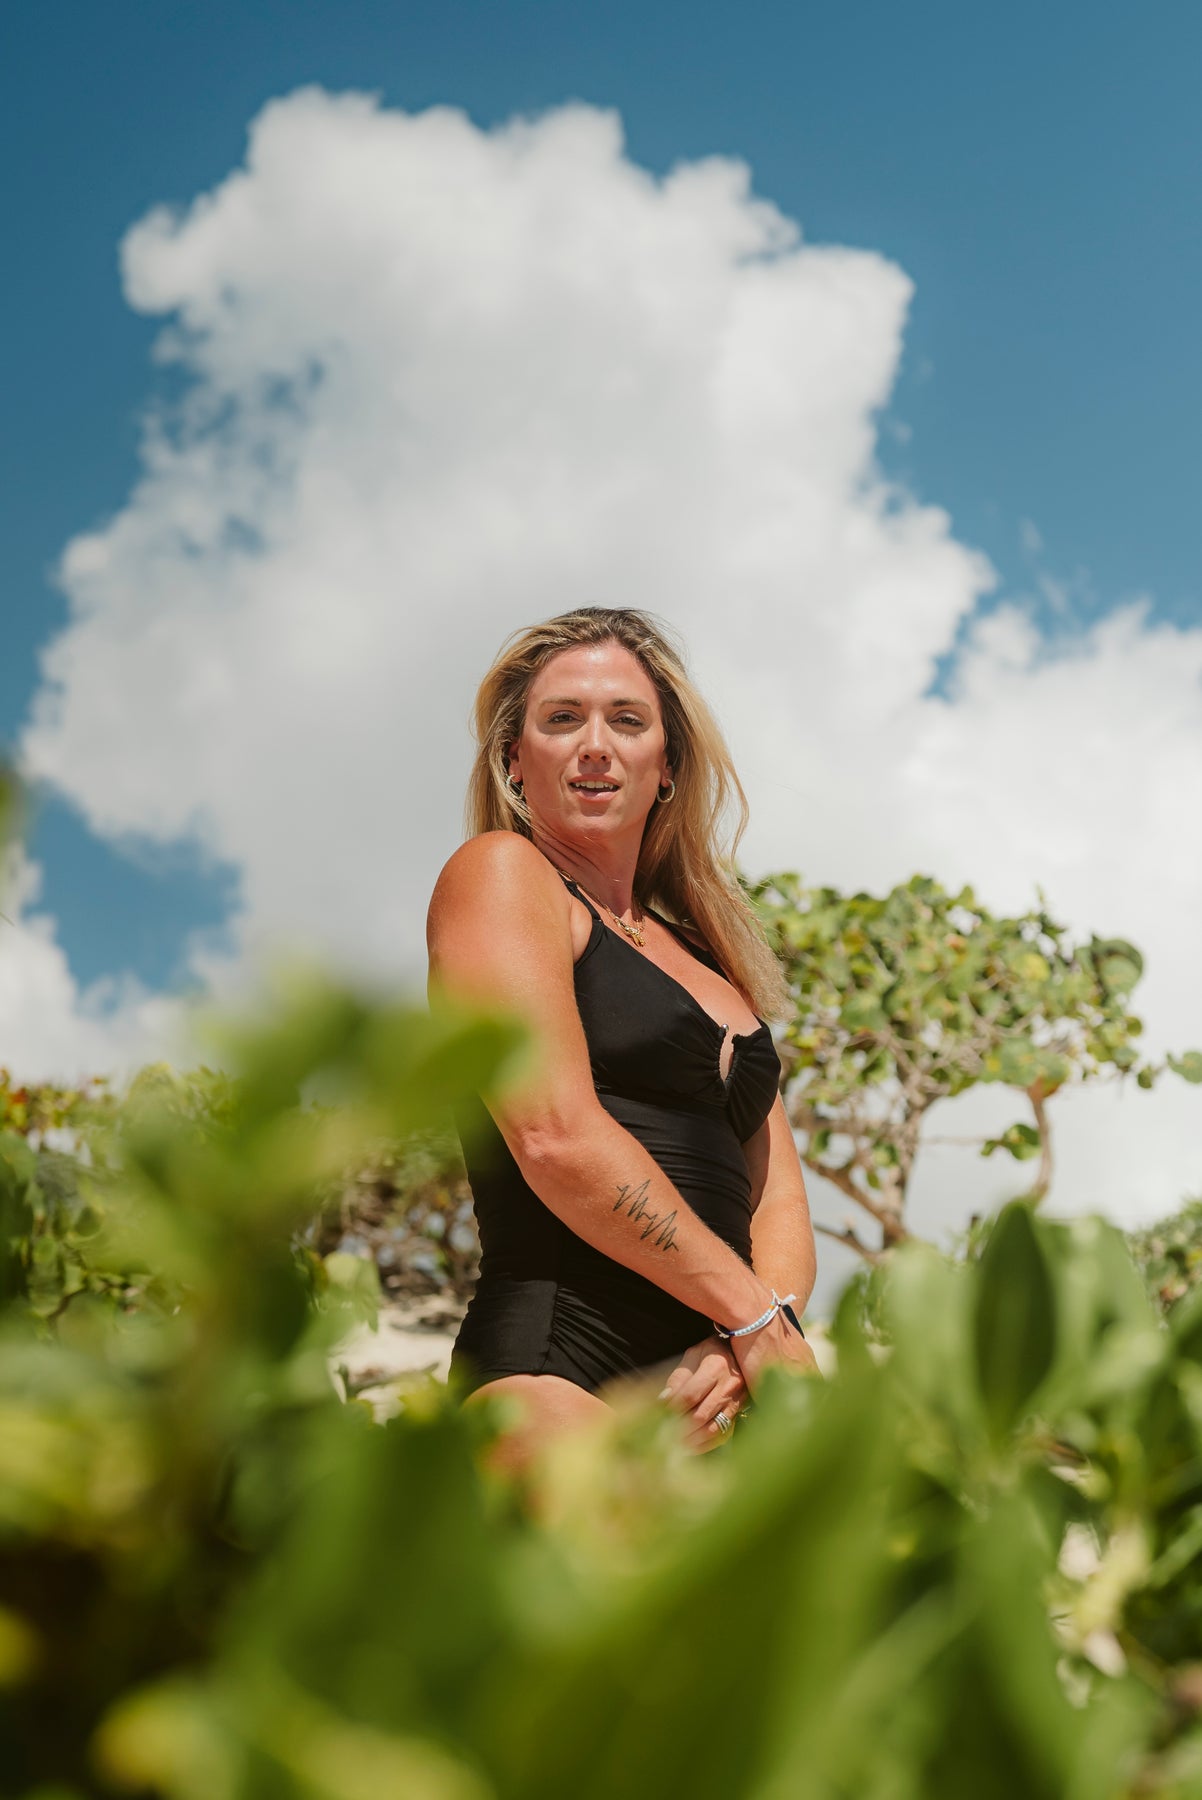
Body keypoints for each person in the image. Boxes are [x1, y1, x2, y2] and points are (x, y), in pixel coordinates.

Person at [427, 607, 818, 1465]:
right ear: (515, 760)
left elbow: (779, 1197)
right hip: (559, 1372)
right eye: (563, 719)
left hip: (718, 1391)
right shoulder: (501, 876)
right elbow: (553, 1136)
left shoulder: (712, 958)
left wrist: (754, 1339)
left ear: (667, 765)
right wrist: (751, 1318)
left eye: (627, 721)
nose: (595, 746)